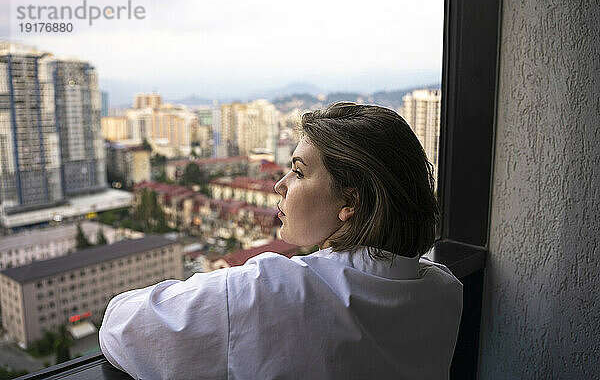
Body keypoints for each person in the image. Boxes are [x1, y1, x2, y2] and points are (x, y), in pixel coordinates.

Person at [99, 102, 462, 380]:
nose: (280, 184)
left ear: (350, 202)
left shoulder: (268, 291)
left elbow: (121, 327)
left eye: (299, 171)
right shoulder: (444, 291)